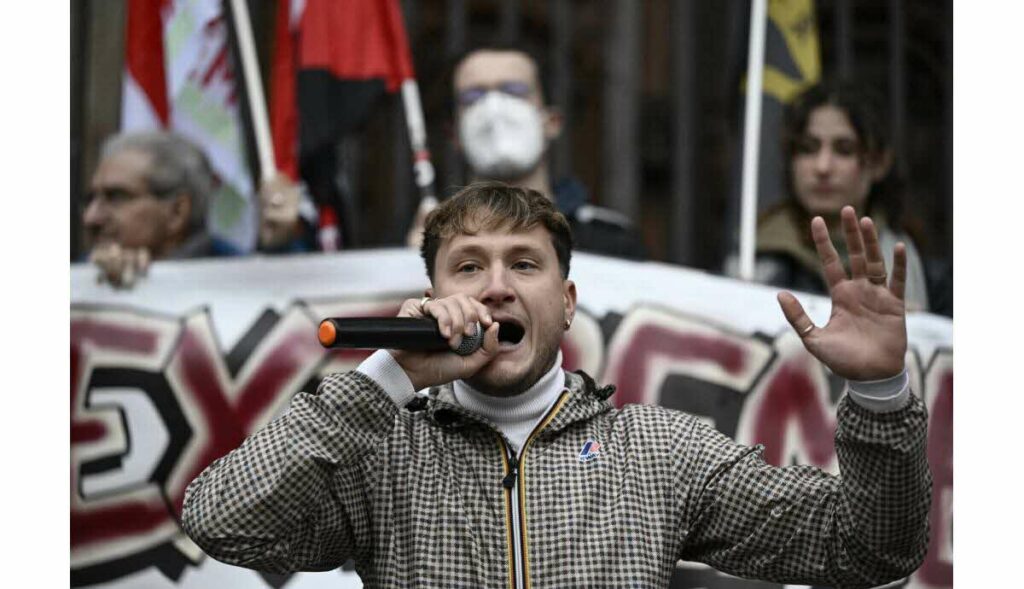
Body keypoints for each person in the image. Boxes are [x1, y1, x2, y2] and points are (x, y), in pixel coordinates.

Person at [182, 181, 930, 587]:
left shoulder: (657, 454)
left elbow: (867, 548)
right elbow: (222, 520)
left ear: (566, 303)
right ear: (433, 297)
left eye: (524, 264)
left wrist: (880, 391)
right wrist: (387, 376)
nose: (496, 287)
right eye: (468, 267)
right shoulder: (384, 453)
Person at [408, 45, 648, 260]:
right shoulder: (421, 237)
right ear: (454, 134)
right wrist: (418, 263)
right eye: (473, 97)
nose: (494, 109)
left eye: (514, 91)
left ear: (552, 122)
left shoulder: (611, 243)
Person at [738, 81, 939, 313]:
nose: (823, 167)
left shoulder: (928, 275)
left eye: (844, 150)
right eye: (808, 148)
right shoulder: (748, 259)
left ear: (879, 163)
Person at [83, 131, 316, 288]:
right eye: (90, 199)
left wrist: (282, 247)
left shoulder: (238, 282)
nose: (91, 218)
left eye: (116, 198)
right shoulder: (81, 275)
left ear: (177, 212)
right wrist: (96, 280)